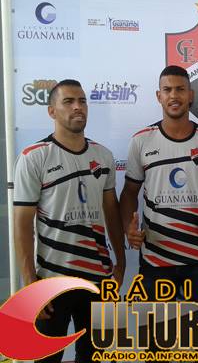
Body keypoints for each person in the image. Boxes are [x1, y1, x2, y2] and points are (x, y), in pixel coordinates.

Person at [13, 79, 126, 363]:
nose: (78, 107)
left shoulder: (103, 155)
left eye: (82, 101)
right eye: (68, 101)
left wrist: (121, 262)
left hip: (98, 279)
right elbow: (22, 225)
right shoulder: (34, 157)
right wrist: (30, 283)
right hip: (52, 282)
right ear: (52, 111)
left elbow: (111, 212)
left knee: (93, 356)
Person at [120, 65, 198, 359]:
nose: (174, 95)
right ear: (159, 96)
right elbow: (128, 193)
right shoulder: (141, 140)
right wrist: (128, 228)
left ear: (191, 95)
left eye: (180, 89)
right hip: (157, 257)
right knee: (155, 344)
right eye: (167, 90)